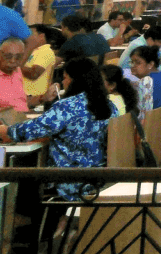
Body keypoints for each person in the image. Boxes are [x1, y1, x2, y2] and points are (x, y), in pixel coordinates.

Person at [0, 58, 112, 202]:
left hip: (67, 180)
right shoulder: (109, 105)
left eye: (65, 78)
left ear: (74, 80)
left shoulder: (67, 107)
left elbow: (25, 131)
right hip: (98, 178)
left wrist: (4, 130)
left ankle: (25, 219)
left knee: (23, 170)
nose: (63, 83)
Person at [22, 24, 57, 103]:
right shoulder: (30, 50)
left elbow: (34, 74)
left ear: (41, 36)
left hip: (32, 99)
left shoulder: (45, 52)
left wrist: (15, 65)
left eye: (29, 34)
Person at [0, 37, 29, 111]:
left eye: (18, 57)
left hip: (23, 118)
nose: (13, 60)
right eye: (8, 56)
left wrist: (43, 98)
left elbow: (20, 102)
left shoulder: (17, 70)